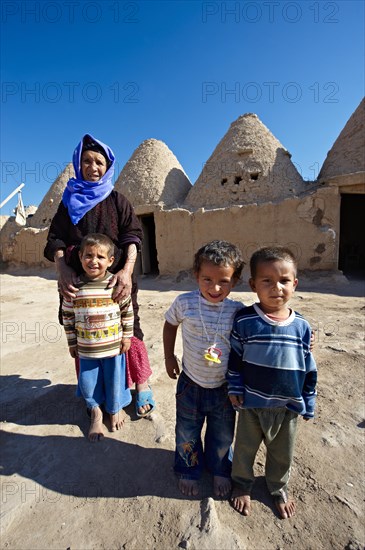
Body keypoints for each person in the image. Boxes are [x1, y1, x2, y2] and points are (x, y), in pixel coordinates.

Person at [44, 134, 155, 417]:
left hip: (115, 279)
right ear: (78, 165)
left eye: (99, 162)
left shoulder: (118, 201)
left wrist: (127, 272)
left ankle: (141, 384)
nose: (93, 167)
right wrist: (63, 269)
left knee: (131, 329)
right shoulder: (68, 202)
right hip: (77, 283)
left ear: (107, 167)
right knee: (84, 331)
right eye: (86, 161)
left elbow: (133, 236)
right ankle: (96, 394)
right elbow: (54, 238)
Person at [227, 246, 317, 519]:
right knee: (244, 449)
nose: (276, 287)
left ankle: (277, 488)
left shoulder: (302, 326)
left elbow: (308, 366)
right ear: (254, 285)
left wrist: (308, 400)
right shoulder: (245, 320)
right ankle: (242, 485)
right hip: (252, 402)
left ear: (295, 284)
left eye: (284, 280)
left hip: (287, 405)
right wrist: (234, 387)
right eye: (266, 280)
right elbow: (235, 358)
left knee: (282, 454)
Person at [163, 240, 245, 497]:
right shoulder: (185, 303)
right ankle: (188, 469)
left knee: (222, 434)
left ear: (236, 280)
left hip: (224, 388)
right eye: (207, 279)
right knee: (187, 430)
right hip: (190, 383)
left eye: (224, 281)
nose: (215, 287)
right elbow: (169, 324)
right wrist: (169, 357)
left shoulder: (238, 311)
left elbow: (260, 330)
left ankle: (220, 469)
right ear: (196, 275)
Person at [62, 234, 133, 441]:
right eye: (89, 256)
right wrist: (72, 342)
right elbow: (68, 316)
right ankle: (95, 412)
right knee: (88, 381)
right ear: (80, 256)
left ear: (110, 260)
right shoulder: (75, 287)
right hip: (86, 349)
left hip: (113, 347)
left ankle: (114, 408)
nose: (94, 261)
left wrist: (127, 337)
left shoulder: (114, 284)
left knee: (115, 380)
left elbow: (127, 311)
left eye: (100, 257)